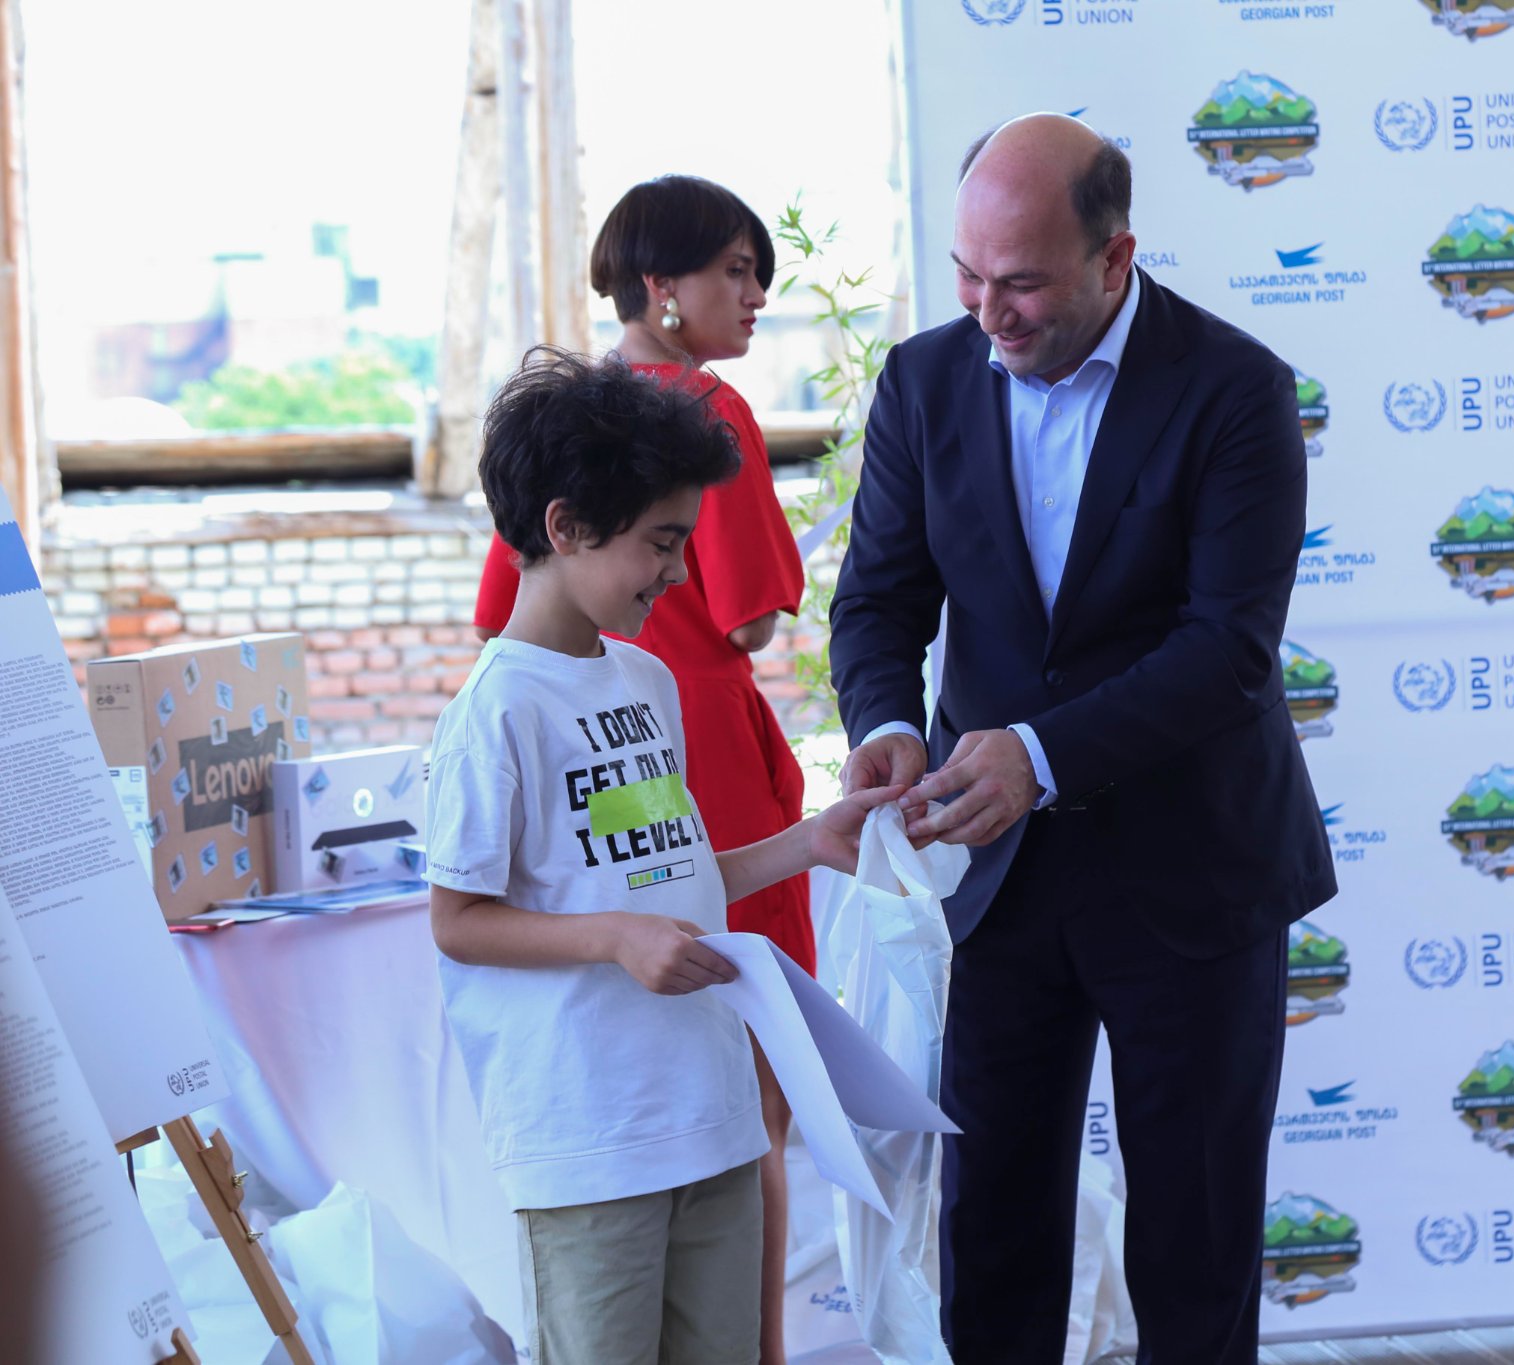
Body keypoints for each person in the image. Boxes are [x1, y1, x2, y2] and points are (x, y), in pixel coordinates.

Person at [830, 113, 1338, 1362]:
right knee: (992, 1239)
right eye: (966, 275)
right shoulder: (921, 381)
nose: (985, 311)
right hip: (992, 881)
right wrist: (888, 723)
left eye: (1019, 283)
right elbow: (877, 602)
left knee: (1193, 1249)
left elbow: (1228, 649)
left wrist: (1037, 755)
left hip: (1193, 873)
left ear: (1114, 259)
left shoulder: (1235, 389)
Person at [428, 347, 902, 1364]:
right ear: (565, 526)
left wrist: (806, 843)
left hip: (713, 1121)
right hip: (591, 1146)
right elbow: (457, 921)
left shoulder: (645, 680)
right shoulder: (495, 712)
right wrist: (614, 939)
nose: (680, 573)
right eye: (661, 542)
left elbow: (668, 877)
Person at [470, 174, 811, 1362]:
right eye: (737, 270)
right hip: (701, 750)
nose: (753, 296)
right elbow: (754, 615)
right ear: (662, 286)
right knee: (748, 1101)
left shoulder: (567, 423)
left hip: (623, 758)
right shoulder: (705, 413)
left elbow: (497, 612)